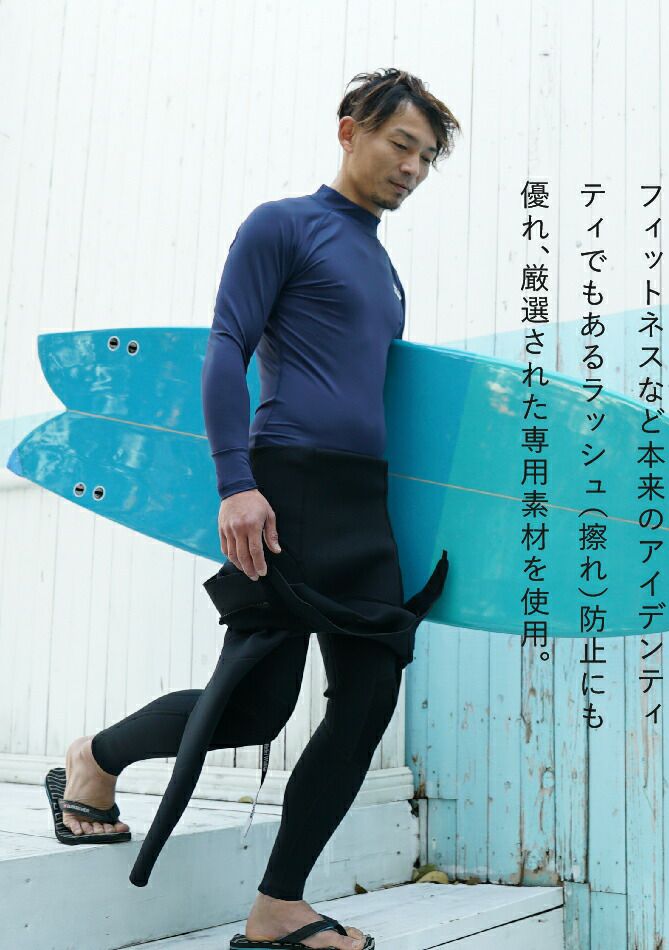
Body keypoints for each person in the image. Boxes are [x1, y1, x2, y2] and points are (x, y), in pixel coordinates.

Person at [49, 68, 460, 950]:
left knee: (369, 696)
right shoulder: (284, 225)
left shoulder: (383, 266)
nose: (413, 168)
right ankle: (94, 759)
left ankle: (278, 908)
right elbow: (226, 346)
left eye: (427, 157)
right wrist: (235, 482)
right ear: (350, 130)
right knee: (254, 707)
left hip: (361, 500)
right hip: (286, 484)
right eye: (402, 145)